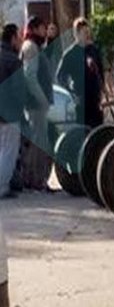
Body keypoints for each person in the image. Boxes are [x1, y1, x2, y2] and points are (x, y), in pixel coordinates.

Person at [21, 16, 53, 192]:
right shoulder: (31, 48)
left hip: (37, 103)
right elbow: (30, 77)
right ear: (34, 29)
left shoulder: (36, 47)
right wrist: (42, 99)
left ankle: (37, 178)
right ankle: (34, 179)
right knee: (38, 143)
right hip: (35, 105)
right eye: (42, 28)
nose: (44, 31)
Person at [57, 18, 105, 129]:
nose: (88, 35)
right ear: (77, 34)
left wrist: (102, 88)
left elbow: (100, 70)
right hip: (80, 101)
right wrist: (70, 93)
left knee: (97, 132)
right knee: (83, 132)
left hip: (95, 99)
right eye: (84, 33)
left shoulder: (93, 50)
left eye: (88, 32)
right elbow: (60, 76)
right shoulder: (70, 54)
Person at [0, 24, 25, 198]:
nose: (21, 40)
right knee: (9, 151)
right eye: (19, 36)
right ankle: (2, 186)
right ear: (13, 38)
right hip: (9, 112)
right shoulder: (13, 60)